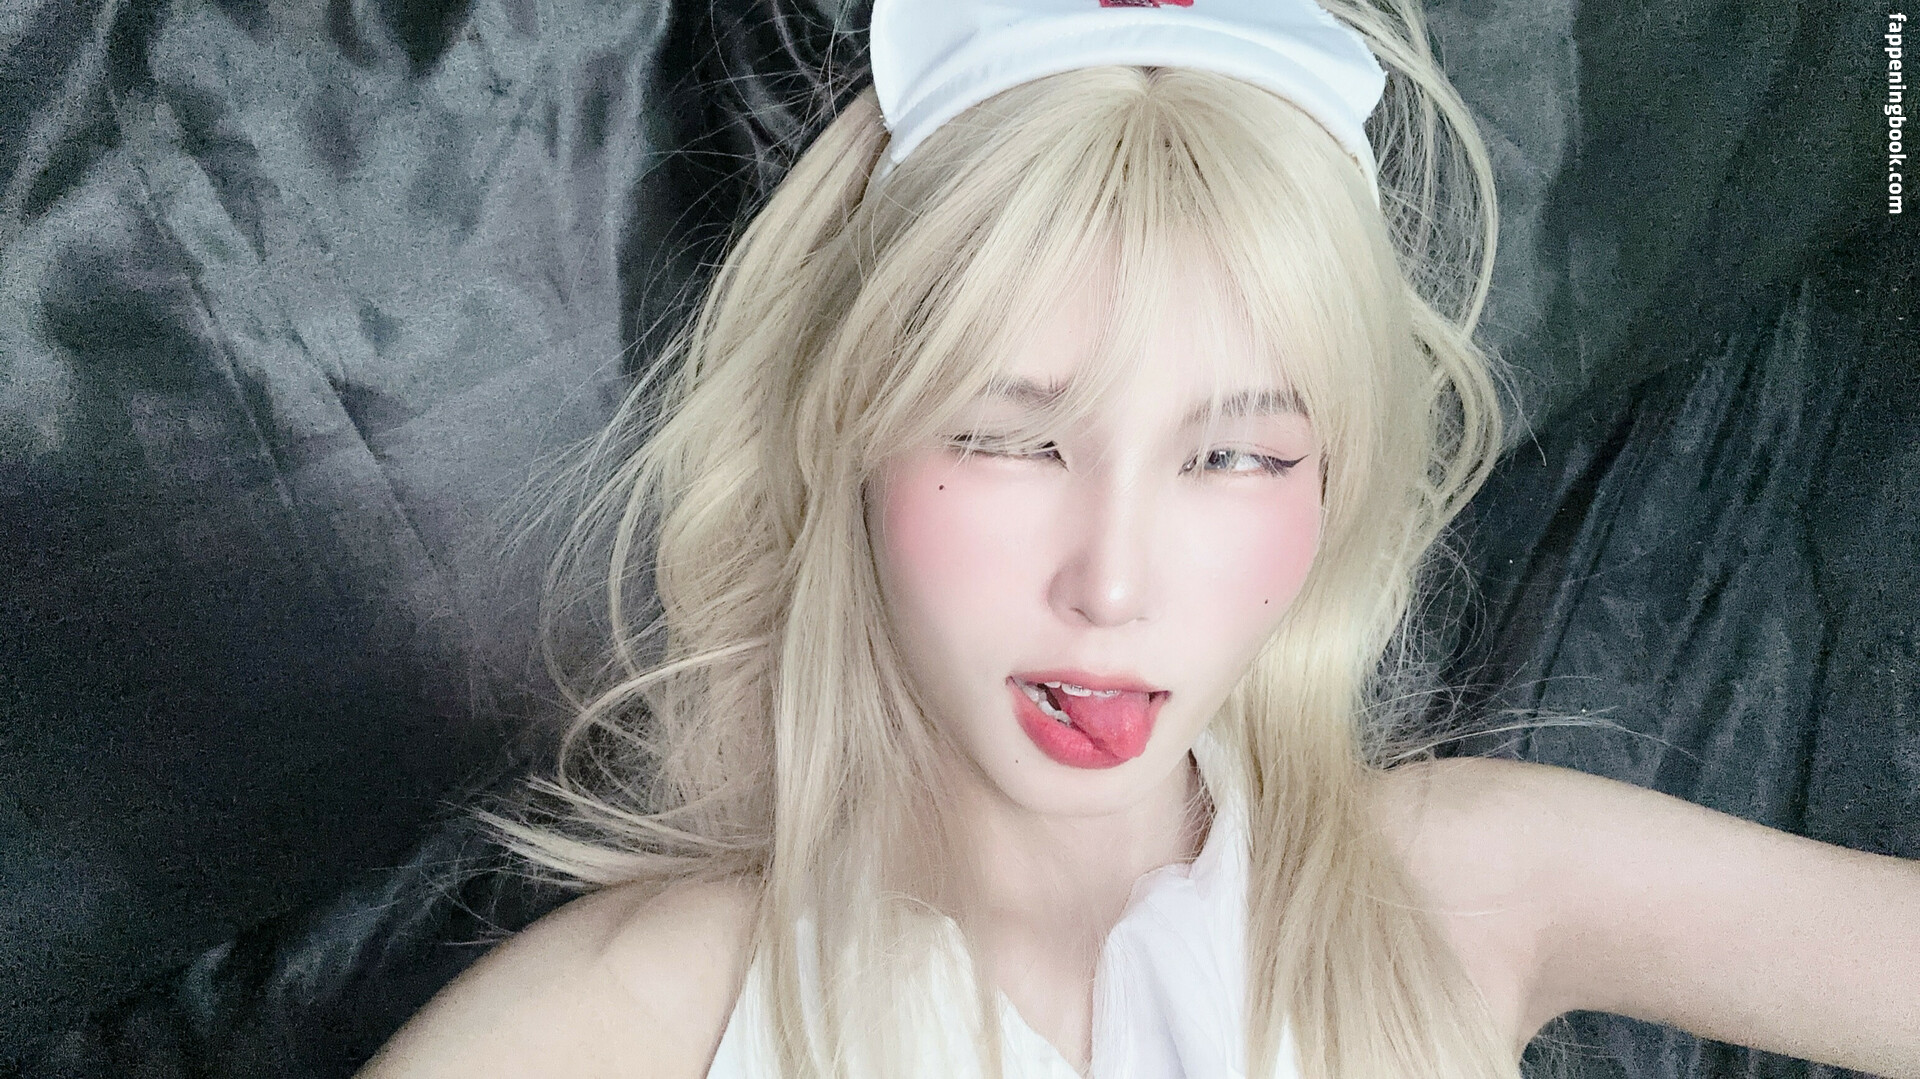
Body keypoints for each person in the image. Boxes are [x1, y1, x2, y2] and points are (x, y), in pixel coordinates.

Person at [355, 0, 1920, 1075]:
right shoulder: (631, 1019)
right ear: (849, 437)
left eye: (1234, 455)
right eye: (1008, 438)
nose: (1109, 583)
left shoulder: (1476, 885)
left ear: (1333, 489)